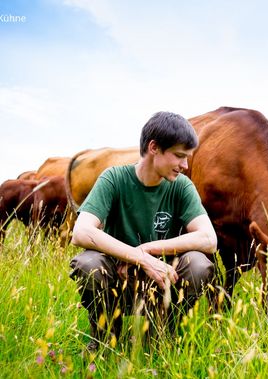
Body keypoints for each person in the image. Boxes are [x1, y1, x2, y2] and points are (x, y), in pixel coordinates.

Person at [69, 111, 217, 353]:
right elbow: (81, 232)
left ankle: (159, 335)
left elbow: (209, 239)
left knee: (199, 264)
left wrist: (148, 249)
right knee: (88, 263)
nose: (185, 165)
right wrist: (139, 258)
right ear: (154, 147)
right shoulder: (114, 179)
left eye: (187, 158)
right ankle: (106, 338)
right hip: (119, 275)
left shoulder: (181, 186)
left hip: (163, 278)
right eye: (179, 156)